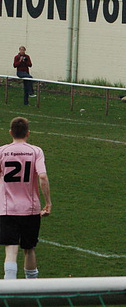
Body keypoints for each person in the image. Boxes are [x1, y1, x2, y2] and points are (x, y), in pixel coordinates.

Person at [0, 117, 52, 279]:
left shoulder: (1, 151)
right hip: (30, 209)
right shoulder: (36, 151)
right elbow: (42, 177)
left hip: (7, 209)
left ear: (10, 132)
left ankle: (10, 291)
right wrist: (48, 203)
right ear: (28, 133)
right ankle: (32, 288)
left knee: (11, 248)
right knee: (29, 248)